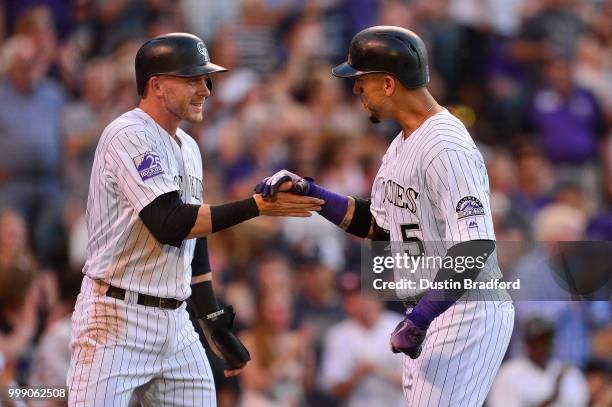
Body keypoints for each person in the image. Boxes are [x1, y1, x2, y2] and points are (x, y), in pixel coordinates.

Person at [256, 26, 515, 406]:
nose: (357, 91)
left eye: (362, 82)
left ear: (389, 84)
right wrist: (311, 193)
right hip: (435, 309)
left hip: (464, 310)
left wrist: (421, 317)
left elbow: (475, 246)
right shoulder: (400, 145)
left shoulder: (445, 144)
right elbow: (377, 226)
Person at [66, 32, 323, 406]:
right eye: (191, 79)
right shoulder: (129, 133)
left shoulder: (189, 146)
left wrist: (212, 319)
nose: (204, 88)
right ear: (155, 85)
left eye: (206, 79)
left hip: (176, 322)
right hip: (115, 318)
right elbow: (170, 222)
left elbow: (195, 237)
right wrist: (257, 206)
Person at [319, 272, 403, 407]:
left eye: (364, 295)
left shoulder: (401, 326)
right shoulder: (338, 335)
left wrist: (378, 370)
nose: (361, 303)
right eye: (351, 298)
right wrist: (356, 376)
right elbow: (333, 388)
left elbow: (418, 382)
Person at [487, 316, 589, 407]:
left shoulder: (570, 373)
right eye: (537, 342)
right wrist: (552, 397)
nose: (542, 347)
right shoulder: (507, 374)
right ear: (527, 344)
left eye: (546, 341)